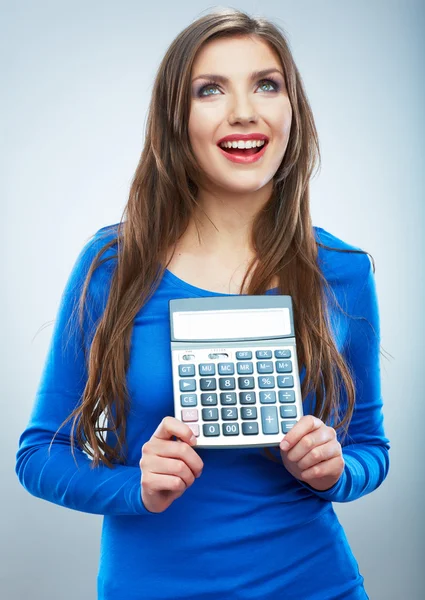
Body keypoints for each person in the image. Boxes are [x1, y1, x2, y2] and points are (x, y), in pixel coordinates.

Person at [15, 8, 390, 600]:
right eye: (210, 89)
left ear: (292, 112)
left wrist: (336, 470)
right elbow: (40, 455)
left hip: (315, 583)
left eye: (267, 84)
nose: (245, 109)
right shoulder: (113, 264)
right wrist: (134, 486)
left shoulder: (340, 271)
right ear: (175, 119)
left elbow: (370, 447)